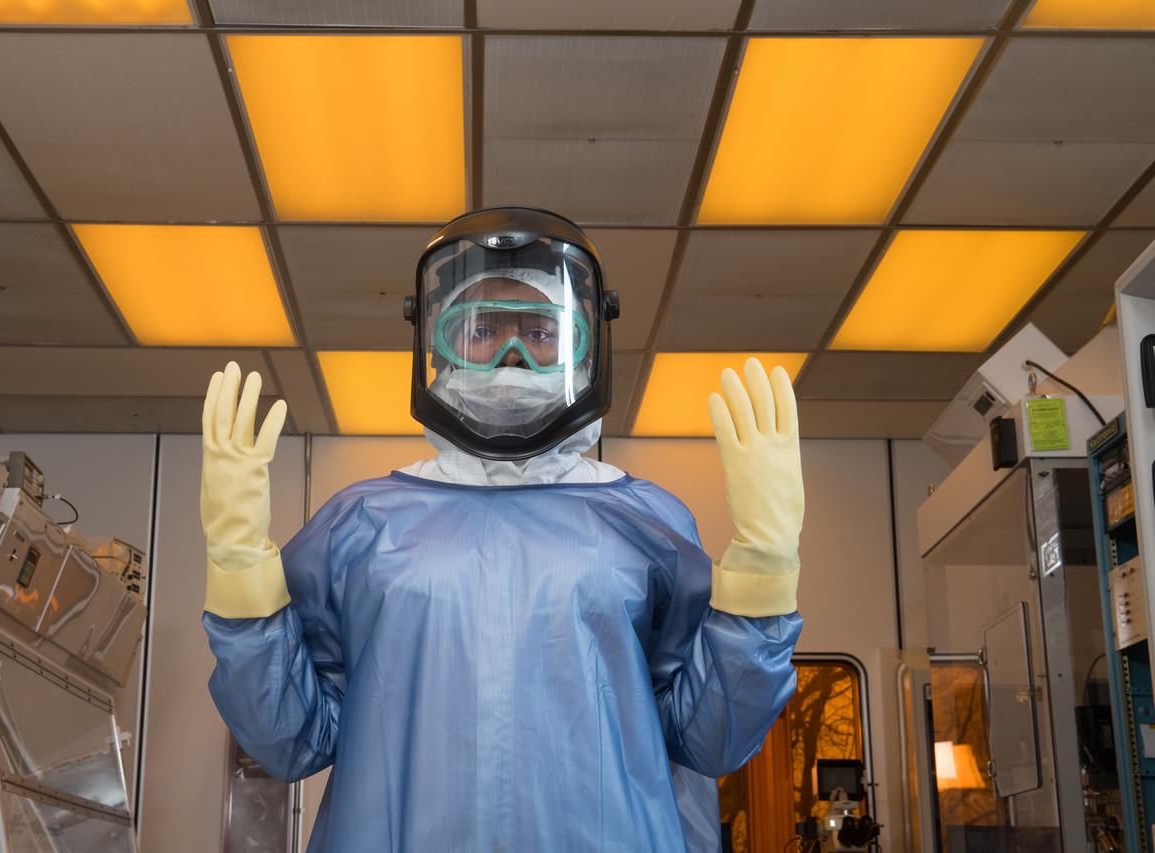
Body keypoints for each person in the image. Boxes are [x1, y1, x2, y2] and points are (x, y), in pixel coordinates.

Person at [200, 207, 804, 851]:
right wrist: (239, 567)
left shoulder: (649, 521)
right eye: (481, 328)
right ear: (436, 343)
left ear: (585, 346)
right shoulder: (360, 524)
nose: (513, 356)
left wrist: (763, 568)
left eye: (543, 332)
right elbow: (289, 740)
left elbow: (713, 740)